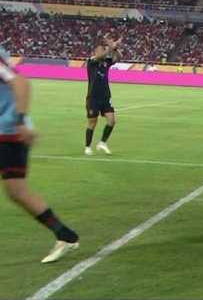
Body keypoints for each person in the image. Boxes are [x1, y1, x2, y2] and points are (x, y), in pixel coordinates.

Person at [0, 46, 80, 263]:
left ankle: (65, 235)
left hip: (9, 132)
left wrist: (20, 121)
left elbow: (21, 83)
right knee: (16, 192)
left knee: (17, 191)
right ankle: (65, 235)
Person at [84, 36, 123, 156]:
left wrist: (115, 49)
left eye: (104, 49)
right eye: (101, 50)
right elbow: (101, 56)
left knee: (111, 121)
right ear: (96, 52)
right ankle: (88, 146)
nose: (103, 52)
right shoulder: (91, 61)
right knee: (92, 122)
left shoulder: (106, 63)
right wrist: (111, 46)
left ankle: (102, 143)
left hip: (105, 97)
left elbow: (119, 58)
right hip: (93, 98)